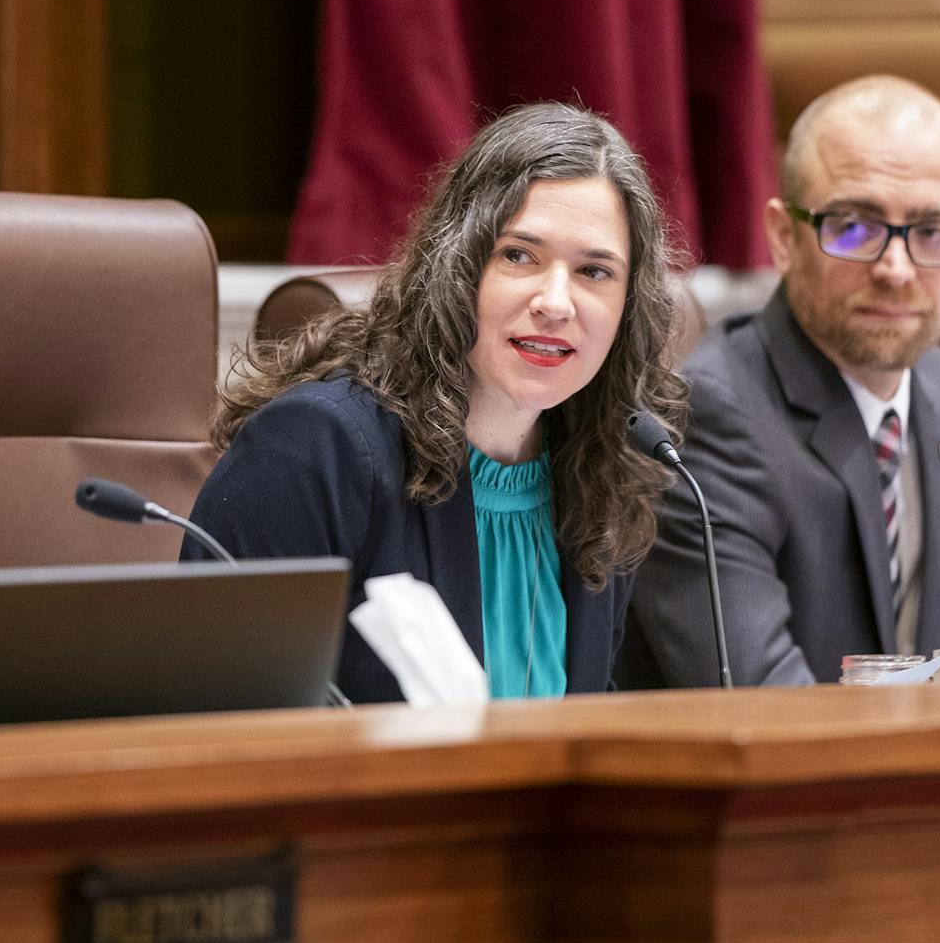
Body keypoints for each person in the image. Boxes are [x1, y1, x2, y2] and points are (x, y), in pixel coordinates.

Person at [185, 103, 687, 703]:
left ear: (629, 307)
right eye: (519, 255)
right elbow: (226, 724)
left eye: (594, 271)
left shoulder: (603, 475)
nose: (557, 301)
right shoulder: (318, 447)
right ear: (459, 265)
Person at [618, 75, 940, 688]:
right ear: (783, 238)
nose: (897, 269)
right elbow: (767, 702)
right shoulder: (710, 417)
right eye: (855, 228)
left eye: (932, 232)